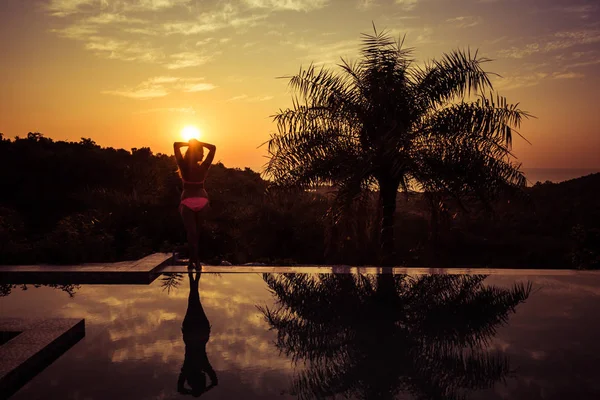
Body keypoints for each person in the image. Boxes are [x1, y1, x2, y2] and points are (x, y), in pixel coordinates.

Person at [174, 139, 216, 270]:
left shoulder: (204, 166)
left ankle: (193, 259)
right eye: (201, 152)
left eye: (203, 152)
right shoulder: (183, 165)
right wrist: (192, 145)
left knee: (196, 233)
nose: (203, 155)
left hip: (202, 201)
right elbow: (176, 145)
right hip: (187, 202)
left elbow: (213, 148)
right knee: (191, 232)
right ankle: (195, 260)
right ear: (194, 152)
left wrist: (198, 143)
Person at [177, 271, 218, 396]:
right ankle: (193, 278)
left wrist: (200, 391)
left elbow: (215, 382)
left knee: (194, 299)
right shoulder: (188, 368)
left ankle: (194, 278)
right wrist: (193, 393)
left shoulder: (203, 365)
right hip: (192, 330)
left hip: (200, 330)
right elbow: (180, 388)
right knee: (193, 299)